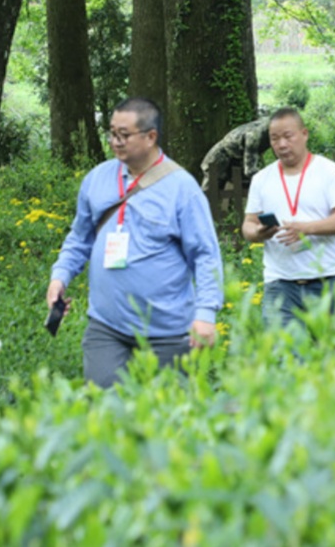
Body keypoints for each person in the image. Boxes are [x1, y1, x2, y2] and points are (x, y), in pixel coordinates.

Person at [47, 97, 222, 387]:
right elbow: (79, 237)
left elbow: (205, 255)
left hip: (168, 332)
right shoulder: (97, 179)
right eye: (112, 132)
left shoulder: (182, 188)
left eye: (124, 135)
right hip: (107, 328)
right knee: (106, 415)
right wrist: (60, 277)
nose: (115, 141)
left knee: (168, 420)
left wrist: (205, 314)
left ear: (151, 136)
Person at [242, 108, 335, 329]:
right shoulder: (261, 179)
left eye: (288, 136)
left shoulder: (329, 172)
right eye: (274, 139)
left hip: (326, 281)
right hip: (280, 284)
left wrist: (307, 228)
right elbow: (248, 224)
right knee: (283, 358)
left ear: (304, 134)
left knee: (332, 357)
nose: (281, 145)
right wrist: (258, 232)